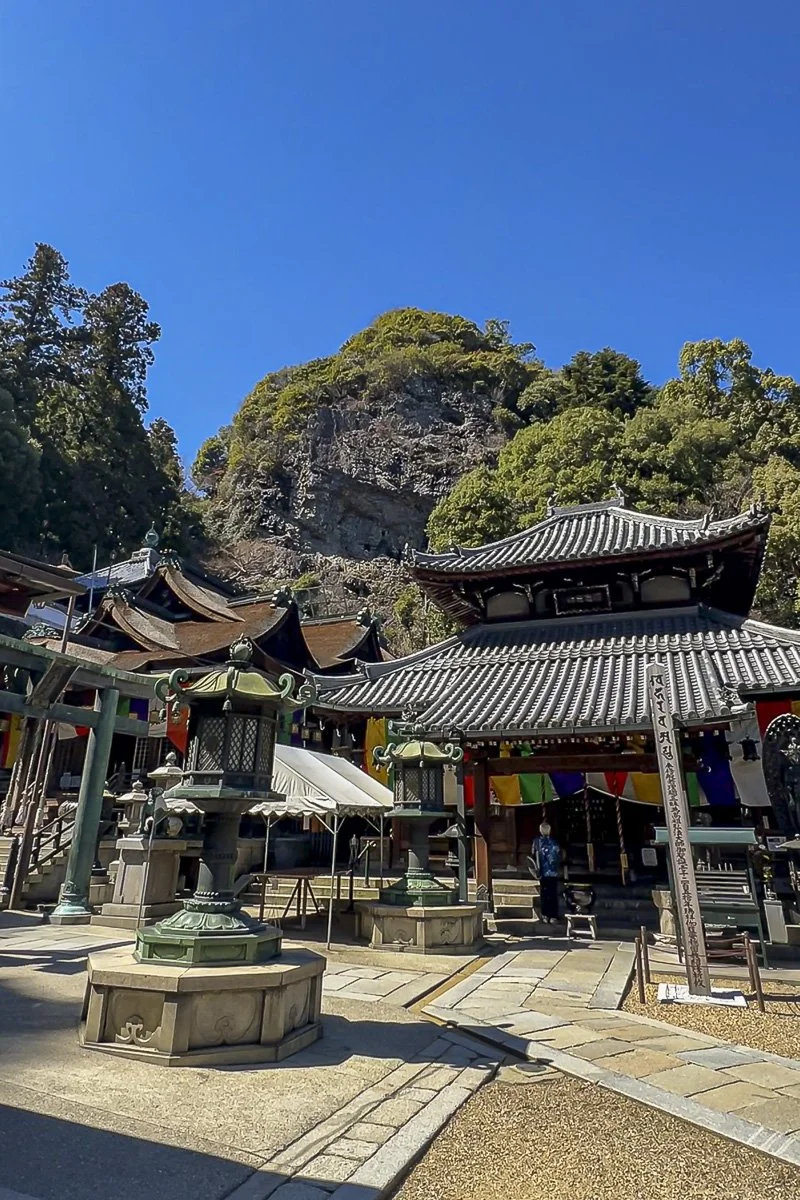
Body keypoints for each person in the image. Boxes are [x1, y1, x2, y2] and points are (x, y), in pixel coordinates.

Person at [532, 821, 561, 923]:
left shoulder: (537, 842)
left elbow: (532, 855)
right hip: (553, 872)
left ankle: (545, 915)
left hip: (542, 872)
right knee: (553, 894)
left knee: (544, 894)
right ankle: (553, 916)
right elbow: (558, 857)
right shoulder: (554, 842)